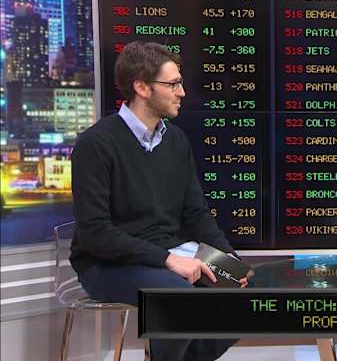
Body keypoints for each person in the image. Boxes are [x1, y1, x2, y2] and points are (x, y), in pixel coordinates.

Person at [70, 41, 247, 361]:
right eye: (173, 84)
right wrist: (167, 259)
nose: (182, 92)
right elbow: (96, 233)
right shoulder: (95, 144)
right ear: (142, 87)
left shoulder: (175, 140)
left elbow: (196, 213)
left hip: (168, 253)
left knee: (247, 298)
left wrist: (229, 257)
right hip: (107, 264)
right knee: (178, 301)